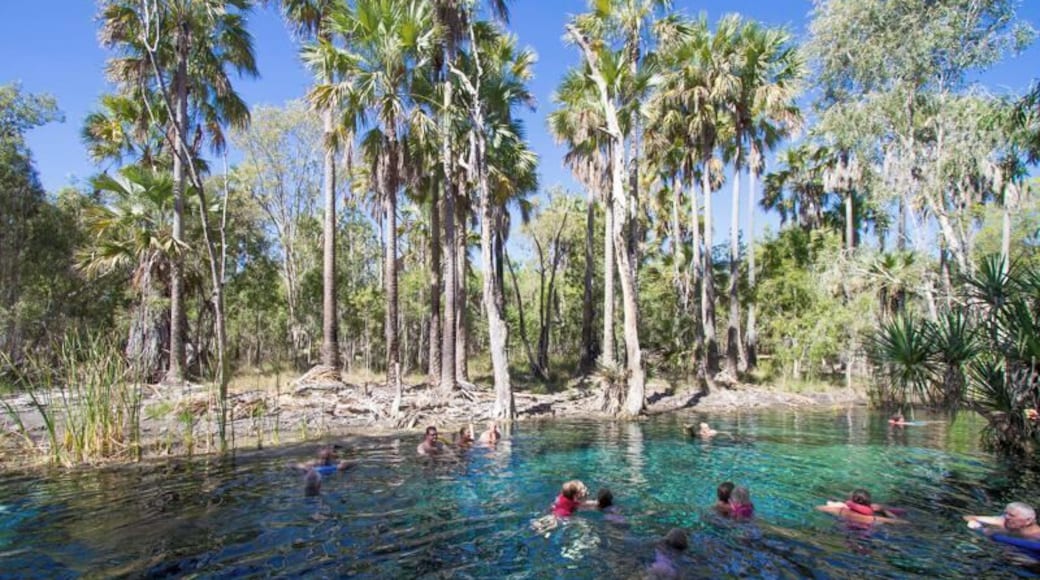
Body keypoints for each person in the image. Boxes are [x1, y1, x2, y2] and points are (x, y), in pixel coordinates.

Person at [816, 488, 907, 524]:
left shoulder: (839, 510)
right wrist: (883, 511)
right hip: (867, 529)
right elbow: (901, 522)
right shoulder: (873, 518)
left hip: (847, 528)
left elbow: (818, 508)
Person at [964, 502, 1040, 538]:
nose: (1006, 517)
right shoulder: (1004, 522)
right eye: (1006, 514)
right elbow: (969, 517)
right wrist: (979, 528)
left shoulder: (1036, 535)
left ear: (1028, 521)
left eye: (1011, 515)